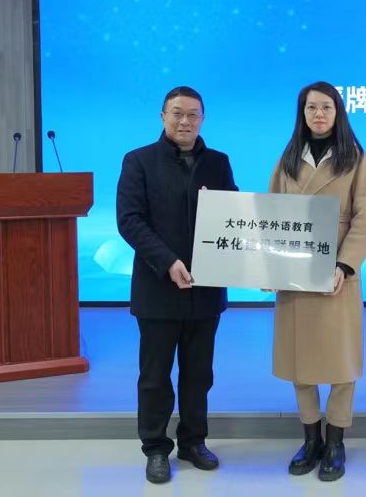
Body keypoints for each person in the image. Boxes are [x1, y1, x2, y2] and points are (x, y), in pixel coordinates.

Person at [116, 86, 238, 484]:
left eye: (193, 114)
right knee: (155, 376)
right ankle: (155, 448)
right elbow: (130, 220)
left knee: (199, 373)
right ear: (163, 116)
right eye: (177, 113)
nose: (185, 121)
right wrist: (168, 262)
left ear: (203, 119)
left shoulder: (218, 163)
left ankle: (193, 441)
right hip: (158, 288)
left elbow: (236, 217)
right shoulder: (138, 161)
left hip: (206, 289)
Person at [268, 82, 366, 482]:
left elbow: (365, 218)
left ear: (337, 112)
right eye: (311, 107)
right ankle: (310, 438)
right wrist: (268, 267)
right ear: (302, 113)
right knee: (302, 364)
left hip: (336, 274)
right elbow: (271, 215)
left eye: (326, 107)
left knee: (341, 364)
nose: (318, 114)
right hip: (295, 275)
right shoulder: (288, 158)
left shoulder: (354, 158)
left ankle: (336, 442)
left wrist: (345, 265)